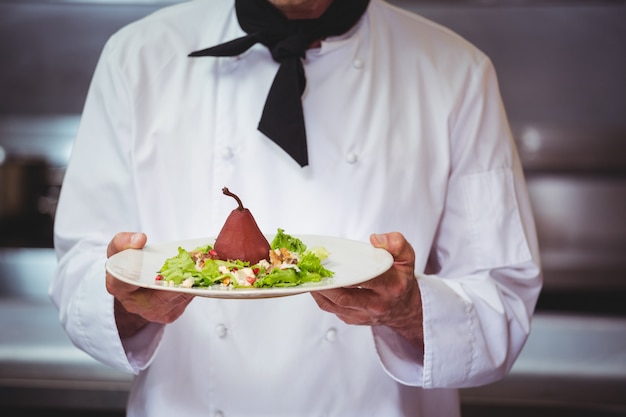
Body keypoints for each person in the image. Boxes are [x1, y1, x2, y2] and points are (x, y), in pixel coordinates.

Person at [49, 0, 543, 416]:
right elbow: (79, 273)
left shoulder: (456, 70)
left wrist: (409, 311)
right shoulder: (137, 56)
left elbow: (503, 299)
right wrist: (128, 304)